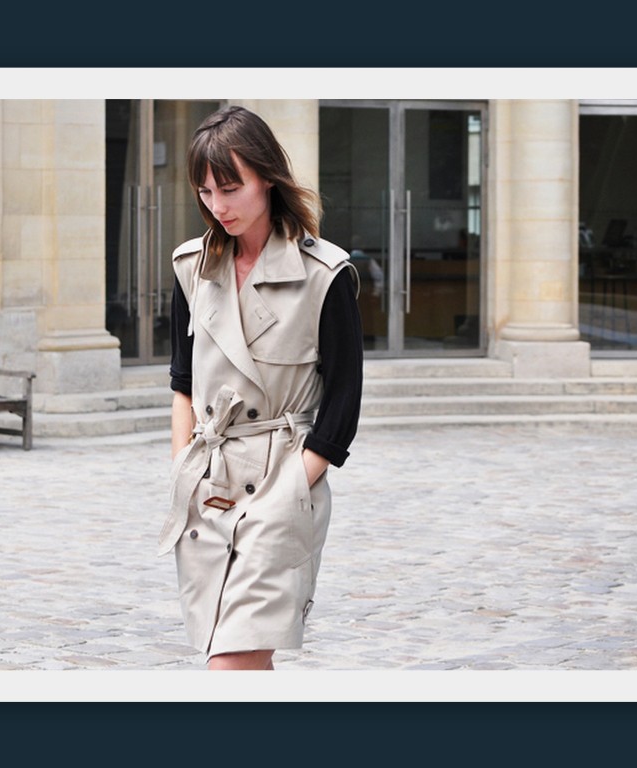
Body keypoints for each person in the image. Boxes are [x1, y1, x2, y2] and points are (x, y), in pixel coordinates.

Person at [158, 106, 363, 671]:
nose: (217, 206)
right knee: (237, 659)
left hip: (281, 484)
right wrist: (183, 472)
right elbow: (182, 384)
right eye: (205, 192)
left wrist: (291, 487)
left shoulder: (324, 275)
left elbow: (343, 403)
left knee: (230, 664)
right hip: (210, 486)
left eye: (230, 188)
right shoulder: (191, 268)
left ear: (267, 178)